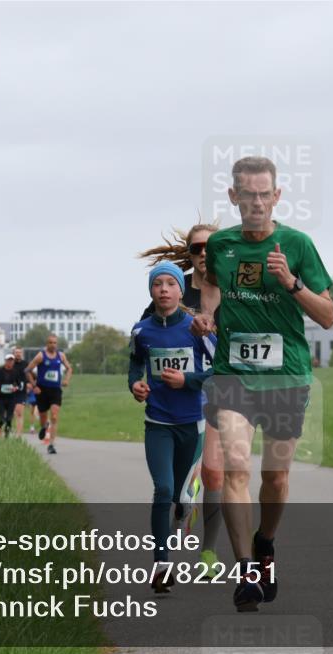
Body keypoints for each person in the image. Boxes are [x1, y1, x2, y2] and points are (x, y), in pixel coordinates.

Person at [191, 156, 333, 612]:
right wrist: (208, 315)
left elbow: (328, 317)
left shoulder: (297, 244)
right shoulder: (222, 245)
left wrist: (291, 283)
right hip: (233, 375)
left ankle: (265, 541)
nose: (255, 202)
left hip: (286, 376)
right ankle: (247, 572)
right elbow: (211, 285)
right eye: (246, 194)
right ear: (233, 197)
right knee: (236, 466)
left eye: (263, 194)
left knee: (275, 478)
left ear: (276, 196)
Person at [139, 221, 225, 577]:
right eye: (197, 249)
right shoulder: (174, 292)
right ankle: (180, 501)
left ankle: (208, 552)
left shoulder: (235, 293)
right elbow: (146, 338)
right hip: (181, 402)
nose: (204, 254)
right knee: (180, 481)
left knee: (215, 471)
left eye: (210, 248)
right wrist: (142, 383)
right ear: (189, 255)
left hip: (223, 388)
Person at [128, 261, 216, 593]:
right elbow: (135, 364)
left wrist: (187, 380)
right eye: (157, 284)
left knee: (181, 497)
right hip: (158, 423)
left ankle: (184, 509)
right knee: (163, 490)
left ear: (181, 291)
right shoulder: (141, 330)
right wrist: (135, 385)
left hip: (192, 424)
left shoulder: (197, 329)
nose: (163, 289)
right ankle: (162, 564)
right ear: (151, 291)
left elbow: (216, 373)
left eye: (170, 284)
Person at [24, 335, 72, 454]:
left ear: (57, 344)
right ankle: (44, 427)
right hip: (42, 391)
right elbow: (27, 370)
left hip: (55, 390)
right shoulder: (41, 356)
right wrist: (34, 386)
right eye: (50, 342)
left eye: (55, 343)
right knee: (43, 417)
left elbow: (69, 368)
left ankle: (51, 445)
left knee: (54, 416)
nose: (53, 345)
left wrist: (66, 379)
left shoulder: (61, 356)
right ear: (47, 344)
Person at [0, 355, 26, 437]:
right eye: (8, 360)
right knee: (2, 418)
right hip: (1, 398)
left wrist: (16, 388)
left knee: (9, 419)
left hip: (11, 398)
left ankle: (6, 436)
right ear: (5, 361)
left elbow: (19, 384)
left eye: (11, 361)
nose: (10, 362)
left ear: (13, 362)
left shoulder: (15, 372)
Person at [11, 347, 29, 435]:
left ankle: (19, 434)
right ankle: (16, 429)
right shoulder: (10, 364)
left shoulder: (25, 364)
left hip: (22, 391)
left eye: (19, 352)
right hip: (12, 391)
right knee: (14, 412)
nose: (18, 354)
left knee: (20, 412)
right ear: (13, 354)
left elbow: (30, 375)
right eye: (16, 352)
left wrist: (29, 383)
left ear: (22, 354)